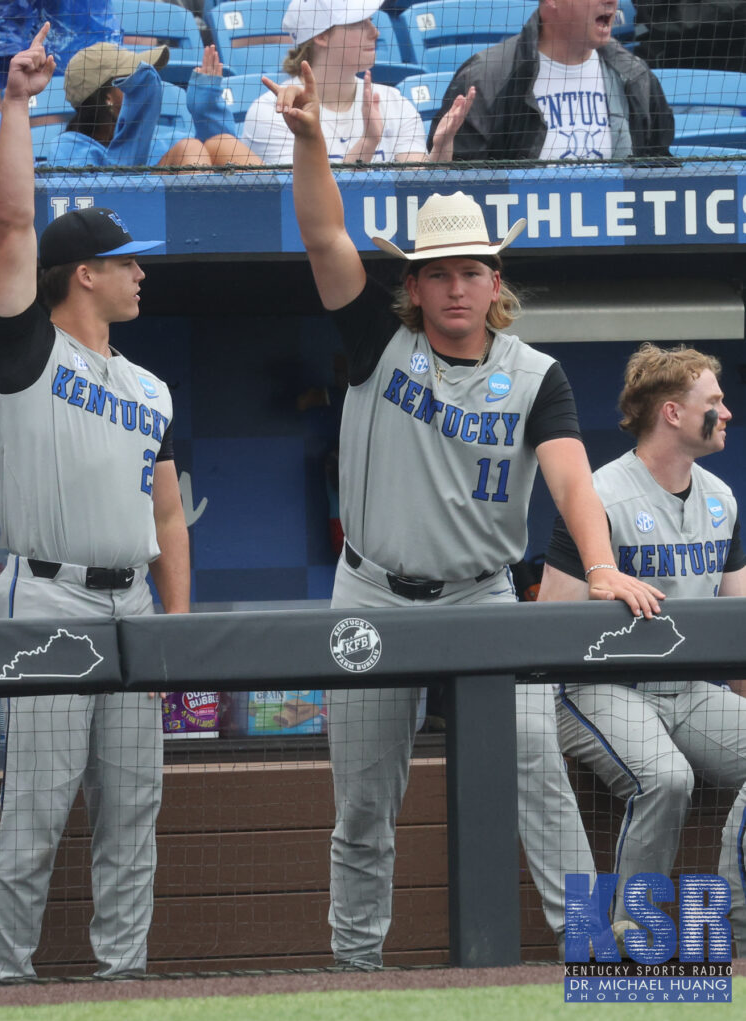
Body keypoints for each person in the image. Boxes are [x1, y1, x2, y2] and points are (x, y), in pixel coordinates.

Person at [262, 60, 664, 967]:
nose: (452, 288)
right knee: (364, 802)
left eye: (469, 271)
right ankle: (355, 970)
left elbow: (570, 481)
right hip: (370, 600)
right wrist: (310, 145)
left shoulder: (535, 375)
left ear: (494, 281)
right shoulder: (377, 342)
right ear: (414, 286)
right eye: (435, 273)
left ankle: (592, 948)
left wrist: (597, 566)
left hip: (482, 601)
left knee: (536, 769)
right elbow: (326, 236)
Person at [0, 23, 190, 980]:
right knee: (35, 808)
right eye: (127, 261)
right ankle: (3, 980)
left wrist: (178, 627)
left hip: (133, 605)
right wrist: (18, 105)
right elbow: (13, 228)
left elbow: (167, 515)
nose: (141, 272)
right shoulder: (29, 351)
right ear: (85, 276)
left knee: (133, 809)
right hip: (51, 597)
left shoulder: (152, 389)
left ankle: (124, 976)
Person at [537, 343, 746, 953]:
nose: (727, 412)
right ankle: (631, 939)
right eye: (715, 401)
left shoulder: (722, 499)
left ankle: (732, 929)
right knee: (667, 778)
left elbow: (738, 622)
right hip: (604, 686)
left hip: (688, 689)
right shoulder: (600, 495)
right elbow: (548, 621)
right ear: (673, 413)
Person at [428, 0, 674, 162]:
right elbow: (459, 186)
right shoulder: (485, 79)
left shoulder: (635, 76)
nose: (611, 1)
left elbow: (658, 168)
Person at [241, 0, 473, 164]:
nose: (375, 33)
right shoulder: (274, 112)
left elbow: (418, 194)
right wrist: (368, 142)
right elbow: (306, 208)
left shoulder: (395, 104)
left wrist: (441, 150)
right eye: (360, 23)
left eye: (371, 21)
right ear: (321, 35)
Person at [36, 41, 257, 170]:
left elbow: (224, 165)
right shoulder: (68, 147)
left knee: (222, 143)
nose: (145, 85)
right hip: (131, 234)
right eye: (134, 80)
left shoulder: (162, 140)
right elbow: (111, 195)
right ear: (107, 97)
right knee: (189, 149)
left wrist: (206, 109)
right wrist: (134, 127)